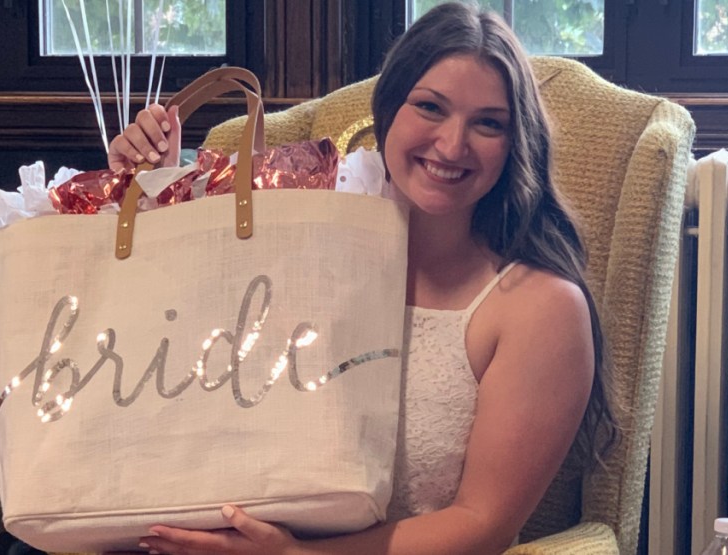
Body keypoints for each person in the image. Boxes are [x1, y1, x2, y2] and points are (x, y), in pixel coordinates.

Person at [107, 3, 614, 554]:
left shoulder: (540, 308)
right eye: (429, 107)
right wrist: (155, 181)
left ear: (516, 143)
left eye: (488, 123)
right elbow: (177, 351)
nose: (451, 145)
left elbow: (482, 523)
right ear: (389, 108)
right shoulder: (306, 234)